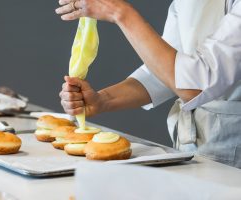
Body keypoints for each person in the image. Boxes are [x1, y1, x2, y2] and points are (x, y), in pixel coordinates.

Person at [56, 0, 241, 168]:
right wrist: (102, 100)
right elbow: (165, 71)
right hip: (195, 151)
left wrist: (120, 12)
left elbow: (194, 86)